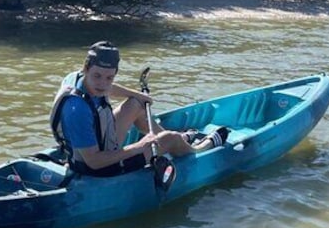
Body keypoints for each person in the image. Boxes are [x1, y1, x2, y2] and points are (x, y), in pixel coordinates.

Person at [50, 41, 227, 176]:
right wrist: (140, 146)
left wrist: (139, 95)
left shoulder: (77, 78)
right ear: (86, 68)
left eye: (109, 77)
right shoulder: (76, 110)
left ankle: (176, 141)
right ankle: (200, 147)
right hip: (97, 168)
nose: (103, 84)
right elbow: (94, 162)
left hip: (101, 144)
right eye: (97, 76)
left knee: (135, 103)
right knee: (170, 138)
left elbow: (108, 88)